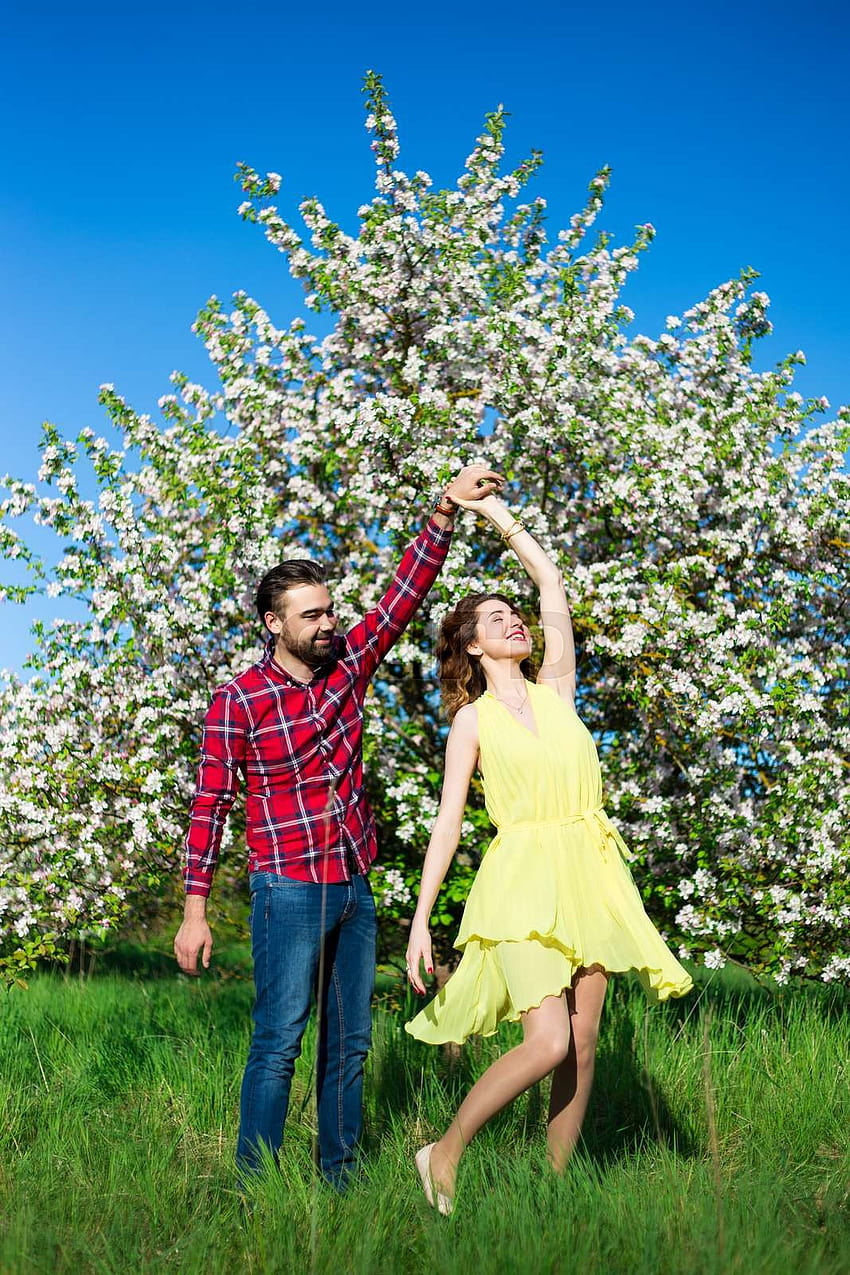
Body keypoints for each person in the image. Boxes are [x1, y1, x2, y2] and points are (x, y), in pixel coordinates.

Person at [173, 464, 503, 1191]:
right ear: (274, 623)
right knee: (278, 1042)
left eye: (329, 610)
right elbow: (211, 806)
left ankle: (341, 1180)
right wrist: (194, 913)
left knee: (348, 1045)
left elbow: (402, 598)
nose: (329, 623)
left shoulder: (348, 664)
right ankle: (255, 1185)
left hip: (353, 886)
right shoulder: (240, 700)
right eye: (312, 615)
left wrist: (445, 508)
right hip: (287, 889)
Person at [405, 493, 693, 1214]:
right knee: (549, 1044)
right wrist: (421, 918)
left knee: (585, 1043)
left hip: (588, 873)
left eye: (516, 613)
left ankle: (557, 1191)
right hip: (522, 882)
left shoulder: (558, 689)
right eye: (495, 617)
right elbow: (447, 824)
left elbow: (550, 580)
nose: (515, 621)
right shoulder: (470, 722)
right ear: (471, 644)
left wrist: (494, 510)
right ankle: (442, 1152)